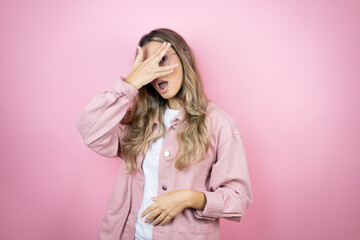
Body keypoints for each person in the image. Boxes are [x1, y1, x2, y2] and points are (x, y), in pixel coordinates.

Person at [75, 28, 252, 240]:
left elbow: (238, 199)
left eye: (163, 59)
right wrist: (131, 82)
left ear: (184, 57)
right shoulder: (138, 120)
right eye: (148, 66)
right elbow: (90, 131)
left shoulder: (219, 124)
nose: (156, 72)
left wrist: (188, 198)